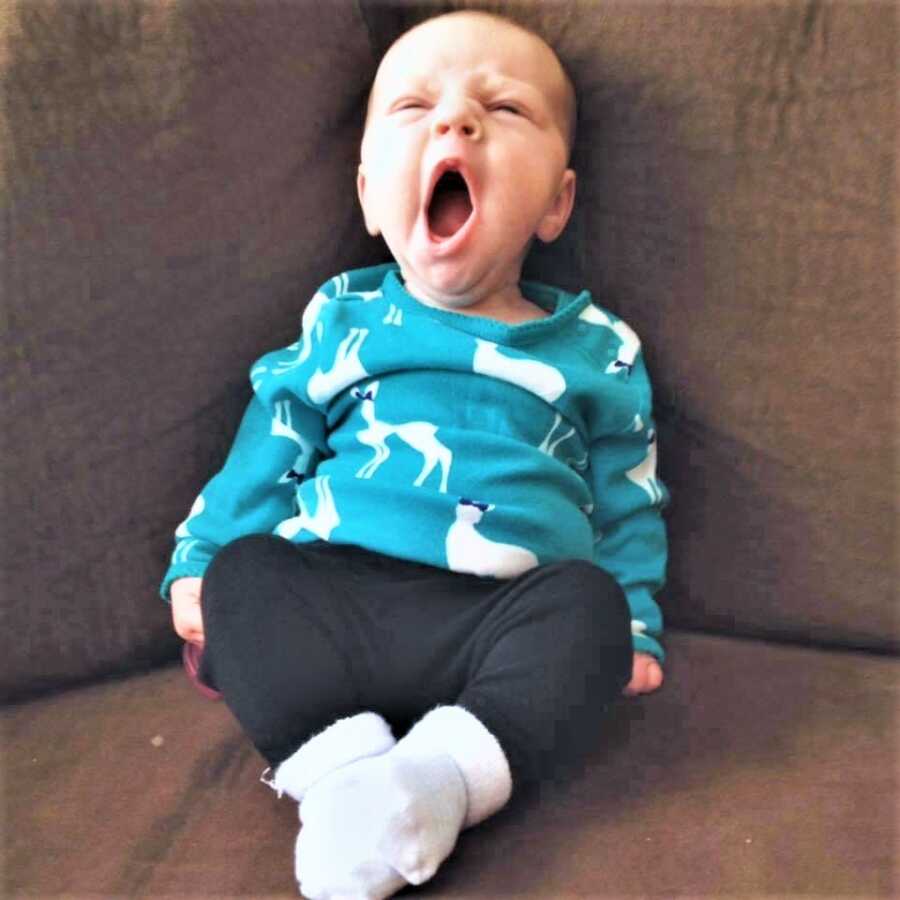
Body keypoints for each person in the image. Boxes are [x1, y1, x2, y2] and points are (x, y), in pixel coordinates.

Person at [160, 9, 670, 899]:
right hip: (338, 599)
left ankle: (436, 780)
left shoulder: (597, 347)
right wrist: (199, 562)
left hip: (502, 624)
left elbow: (627, 497)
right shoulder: (344, 319)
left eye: (504, 109)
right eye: (414, 106)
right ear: (367, 195)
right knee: (246, 577)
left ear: (556, 202)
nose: (456, 121)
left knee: (586, 611)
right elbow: (272, 441)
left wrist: (630, 619)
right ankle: (347, 778)